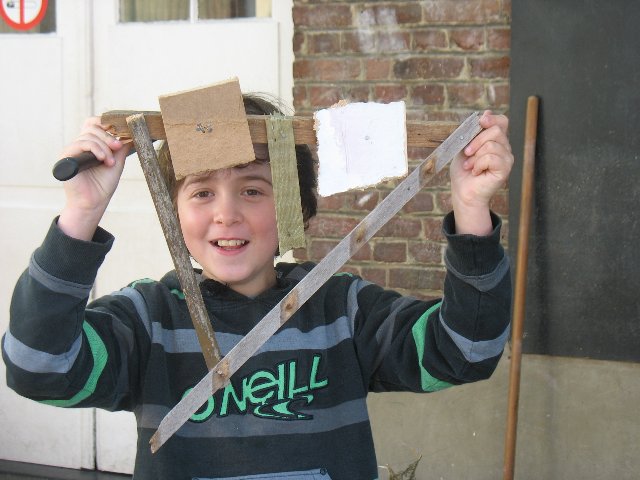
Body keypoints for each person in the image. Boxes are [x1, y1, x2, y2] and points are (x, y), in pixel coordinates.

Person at [3, 94, 514, 480]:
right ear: (171, 212)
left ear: (293, 208)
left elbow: (466, 351)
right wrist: (83, 212)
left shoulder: (341, 310)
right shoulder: (149, 319)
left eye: (252, 190)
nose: (226, 213)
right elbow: (36, 366)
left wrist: (472, 210)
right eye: (202, 192)